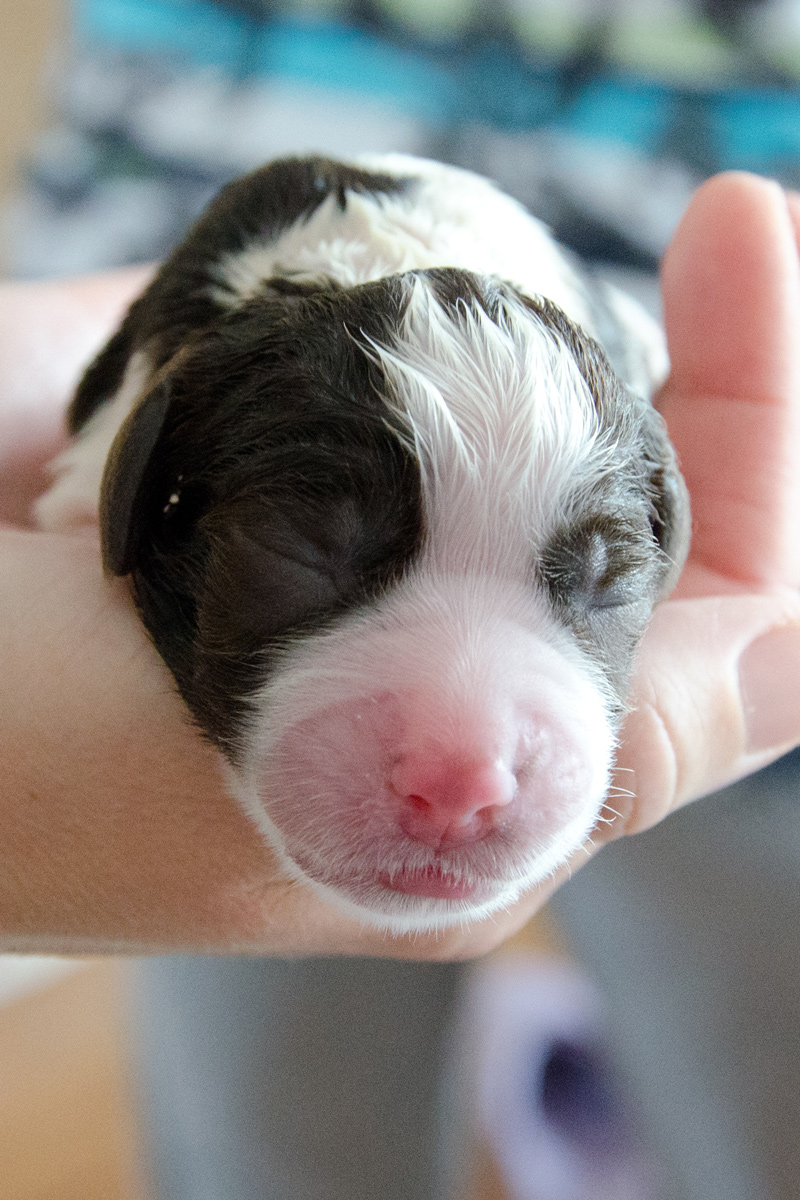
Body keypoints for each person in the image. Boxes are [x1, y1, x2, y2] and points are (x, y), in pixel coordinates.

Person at [0, 168, 799, 958]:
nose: (466, 778)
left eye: (601, 586)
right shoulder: (182, 375)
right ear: (148, 476)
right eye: (306, 560)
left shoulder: (619, 387)